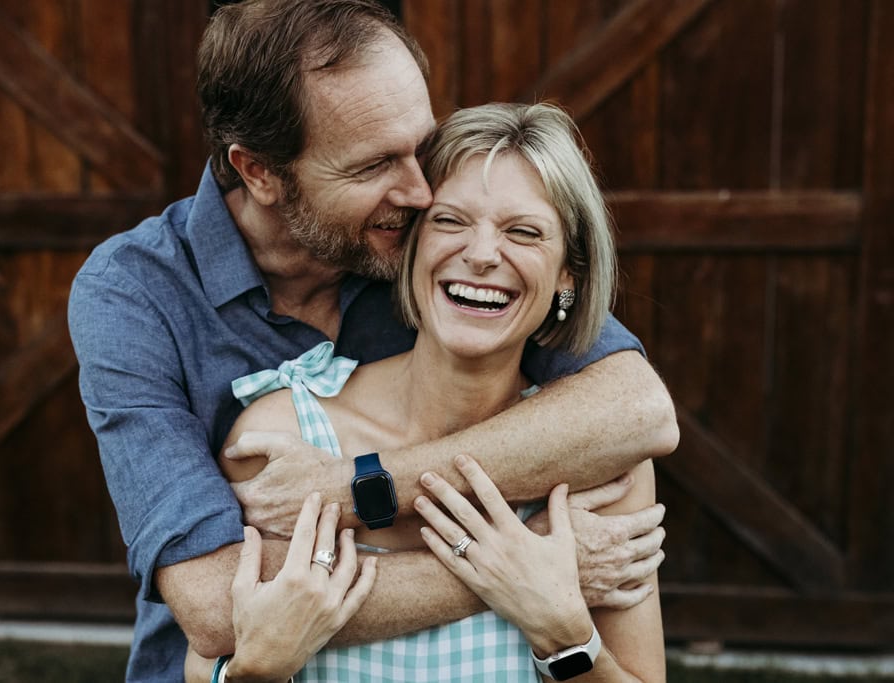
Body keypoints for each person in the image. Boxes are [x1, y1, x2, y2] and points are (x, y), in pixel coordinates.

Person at [67, 1, 678, 680]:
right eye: (373, 166)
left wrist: (359, 489)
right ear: (260, 171)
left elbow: (637, 409)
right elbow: (217, 601)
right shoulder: (134, 293)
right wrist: (523, 561)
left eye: (420, 145)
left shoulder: (427, 243)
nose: (420, 190)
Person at [186, 101, 665, 682]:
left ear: (569, 274)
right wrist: (258, 670)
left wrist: (562, 632)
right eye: (450, 221)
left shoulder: (600, 468)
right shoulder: (285, 442)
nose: (483, 255)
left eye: (523, 232)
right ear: (409, 248)